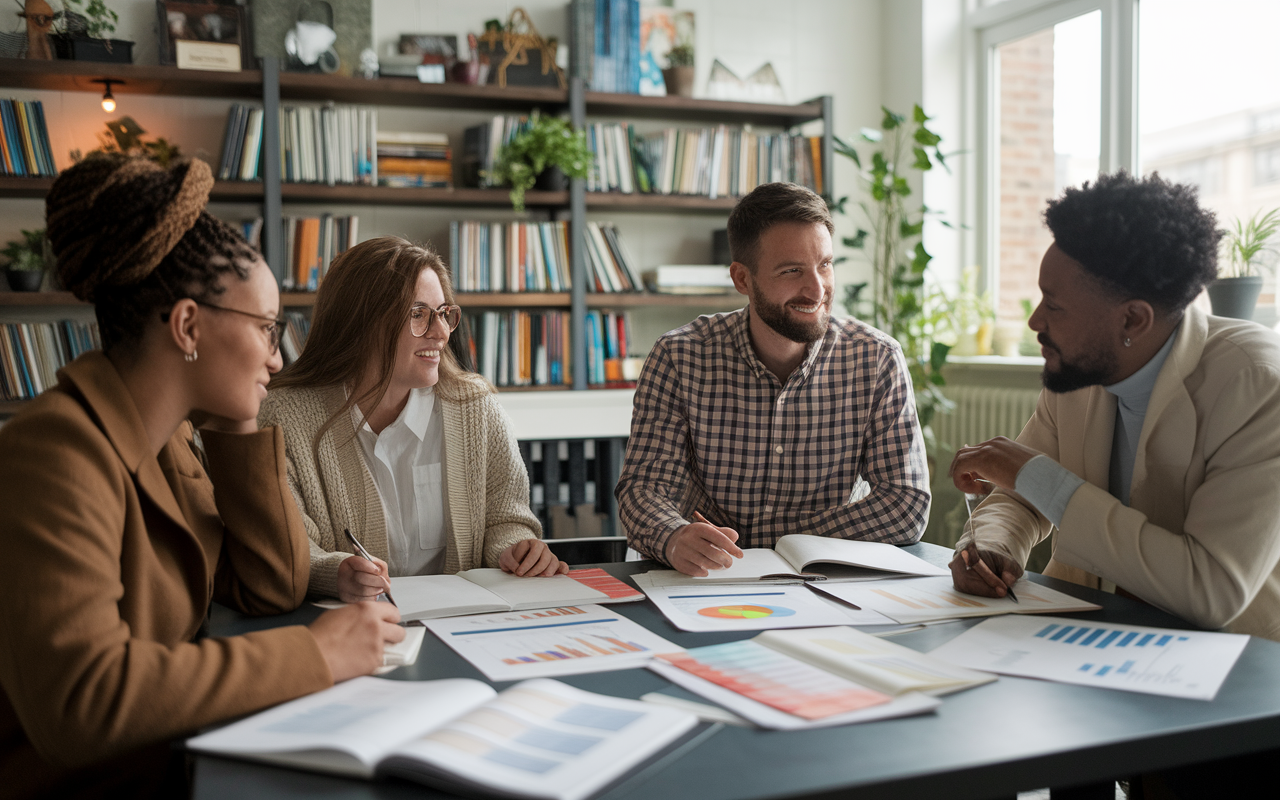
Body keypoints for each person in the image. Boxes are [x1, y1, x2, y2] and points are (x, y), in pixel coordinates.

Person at [0, 154, 402, 799]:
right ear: (188, 325)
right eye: (268, 329)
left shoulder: (173, 442)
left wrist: (235, 421)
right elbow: (82, 701)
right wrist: (316, 656)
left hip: (180, 765)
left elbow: (271, 586)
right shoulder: (55, 451)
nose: (278, 355)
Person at [949, 171, 1280, 644]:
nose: (1034, 321)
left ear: (1132, 318)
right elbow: (1020, 496)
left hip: (1233, 664)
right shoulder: (1079, 370)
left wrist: (1035, 475)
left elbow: (1213, 591)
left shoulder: (1258, 384)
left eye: (1055, 306)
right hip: (1086, 639)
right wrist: (992, 548)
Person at [616, 182, 931, 576]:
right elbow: (644, 489)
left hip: (829, 576)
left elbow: (905, 502)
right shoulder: (679, 356)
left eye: (825, 264)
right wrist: (674, 537)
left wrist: (784, 542)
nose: (817, 289)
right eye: (792, 271)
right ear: (742, 279)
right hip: (710, 575)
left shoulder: (876, 358)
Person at [258, 236, 566, 604]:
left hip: (464, 628)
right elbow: (285, 542)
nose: (441, 333)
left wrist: (515, 548)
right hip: (349, 632)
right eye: (418, 314)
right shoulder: (283, 418)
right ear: (360, 323)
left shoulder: (476, 407)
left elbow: (506, 517)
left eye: (443, 313)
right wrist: (334, 571)